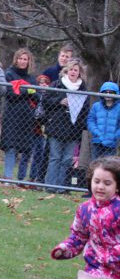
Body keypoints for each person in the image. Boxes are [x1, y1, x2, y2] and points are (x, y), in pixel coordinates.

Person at [51, 156, 120, 279]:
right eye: (96, 181)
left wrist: (113, 254)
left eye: (107, 183)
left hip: (118, 269)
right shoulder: (84, 209)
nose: (100, 187)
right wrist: (65, 249)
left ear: (117, 186)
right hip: (95, 269)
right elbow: (78, 236)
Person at [42, 60, 89, 188]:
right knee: (55, 158)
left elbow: (85, 109)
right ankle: (50, 186)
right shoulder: (56, 84)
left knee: (67, 160)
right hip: (56, 127)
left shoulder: (83, 88)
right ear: (66, 70)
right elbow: (45, 101)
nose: (73, 72)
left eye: (76, 70)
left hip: (73, 130)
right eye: (71, 69)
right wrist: (59, 101)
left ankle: (62, 187)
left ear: (79, 73)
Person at [1, 48, 38, 180]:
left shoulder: (32, 78)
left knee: (26, 149)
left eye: (25, 59)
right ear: (16, 59)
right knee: (10, 147)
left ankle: (21, 179)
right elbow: (10, 94)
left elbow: (37, 96)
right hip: (12, 116)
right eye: (20, 58)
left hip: (27, 118)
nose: (22, 61)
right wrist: (27, 91)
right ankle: (7, 177)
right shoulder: (9, 74)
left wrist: (23, 90)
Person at [86, 83, 120, 161]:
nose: (108, 94)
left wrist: (114, 136)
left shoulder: (119, 108)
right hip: (97, 141)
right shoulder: (96, 106)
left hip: (111, 143)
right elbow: (91, 121)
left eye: (111, 92)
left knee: (108, 165)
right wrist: (98, 133)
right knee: (95, 163)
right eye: (105, 92)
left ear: (116, 93)